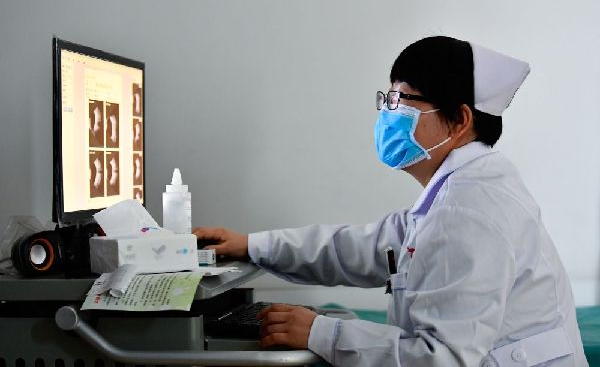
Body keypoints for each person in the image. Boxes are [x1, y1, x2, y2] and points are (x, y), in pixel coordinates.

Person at [194, 36, 588, 366]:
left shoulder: (468, 209)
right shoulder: (456, 192)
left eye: (401, 101)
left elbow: (442, 359)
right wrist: (252, 245)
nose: (387, 113)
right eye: (387, 99)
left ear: (459, 120)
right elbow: (361, 249)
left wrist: (323, 333)